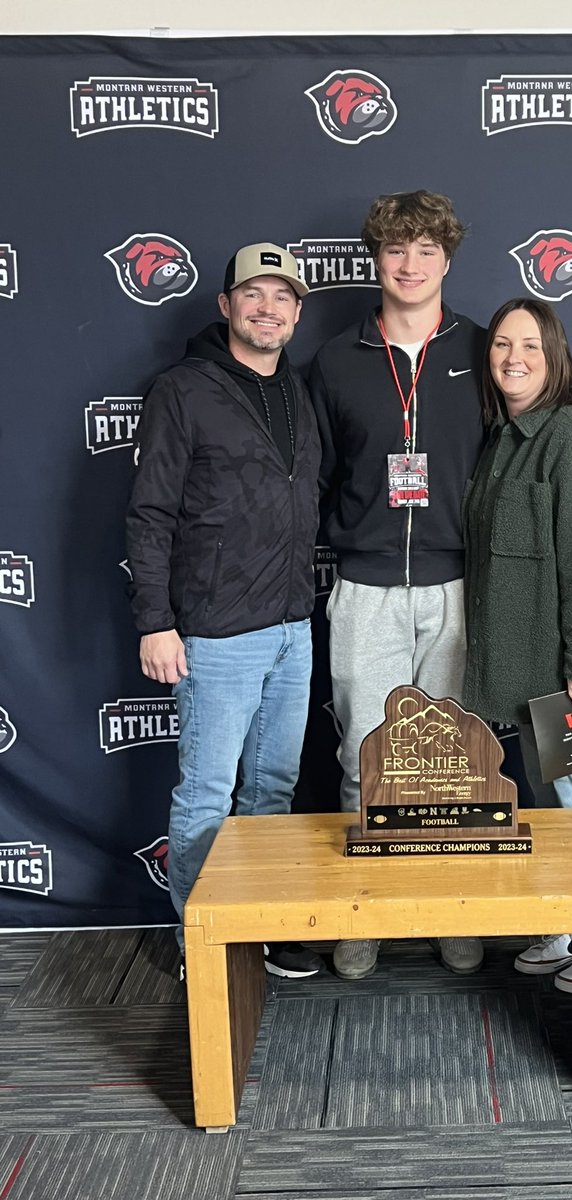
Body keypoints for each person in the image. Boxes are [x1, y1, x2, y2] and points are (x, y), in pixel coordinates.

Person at [126, 243, 323, 981]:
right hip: (214, 633)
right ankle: (202, 947)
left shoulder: (298, 391)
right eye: (254, 294)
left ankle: (257, 928)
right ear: (225, 305)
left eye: (282, 297)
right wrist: (155, 619)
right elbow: (149, 514)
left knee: (270, 789)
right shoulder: (184, 389)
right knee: (206, 794)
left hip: (291, 629)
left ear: (297, 314)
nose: (267, 308)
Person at [309, 191, 485, 980]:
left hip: (455, 586)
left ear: (447, 260)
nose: (409, 265)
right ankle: (367, 913)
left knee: (452, 764)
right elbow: (311, 479)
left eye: (424, 250)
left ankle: (451, 911)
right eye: (394, 250)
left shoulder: (485, 353)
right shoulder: (336, 361)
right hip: (365, 586)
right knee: (364, 758)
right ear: (374, 260)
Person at [462, 298, 572, 995]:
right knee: (558, 806)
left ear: (555, 355)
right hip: (529, 676)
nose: (513, 358)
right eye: (502, 344)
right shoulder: (505, 437)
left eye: (530, 346)